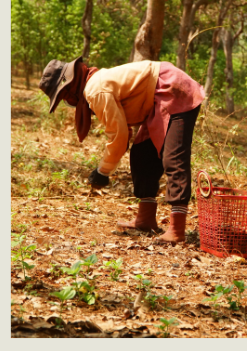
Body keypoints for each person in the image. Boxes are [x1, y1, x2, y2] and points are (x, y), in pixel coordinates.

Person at [39, 57, 205, 244]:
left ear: (70, 86)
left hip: (172, 89)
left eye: (64, 97)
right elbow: (122, 130)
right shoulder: (94, 85)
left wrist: (103, 171)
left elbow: (118, 137)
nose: (69, 102)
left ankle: (177, 229)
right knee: (142, 154)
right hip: (156, 101)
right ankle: (145, 219)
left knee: (173, 158)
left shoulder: (95, 89)